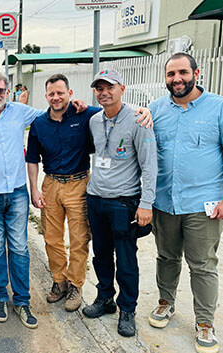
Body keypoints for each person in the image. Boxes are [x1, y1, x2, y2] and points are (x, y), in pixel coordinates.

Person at [0, 72, 90, 329]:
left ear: (8, 92)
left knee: (19, 249)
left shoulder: (20, 112)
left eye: (1, 90)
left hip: (17, 193)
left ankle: (22, 301)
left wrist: (77, 106)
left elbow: (51, 110)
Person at [148, 52, 223, 353]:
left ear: (197, 73)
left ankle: (205, 323)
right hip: (165, 202)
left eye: (182, 72)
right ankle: (166, 302)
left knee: (203, 265)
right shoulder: (156, 109)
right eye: (170, 74)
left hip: (202, 206)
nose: (176, 79)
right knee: (166, 257)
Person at [27, 74, 152, 313]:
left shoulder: (86, 116)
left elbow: (113, 108)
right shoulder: (39, 123)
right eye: (51, 93)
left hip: (79, 184)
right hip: (51, 184)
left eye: (60, 93)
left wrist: (143, 110)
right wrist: (34, 188)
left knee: (79, 239)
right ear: (46, 96)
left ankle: (75, 285)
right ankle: (59, 281)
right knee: (52, 238)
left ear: (70, 93)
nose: (56, 97)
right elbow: (32, 159)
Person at [81, 69, 157, 338]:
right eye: (99, 88)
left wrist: (146, 203)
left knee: (125, 258)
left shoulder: (138, 120)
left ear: (121, 89)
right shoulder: (93, 120)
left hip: (124, 202)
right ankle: (105, 298)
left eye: (109, 87)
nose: (104, 92)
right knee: (101, 253)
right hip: (96, 198)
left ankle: (128, 309)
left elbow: (150, 166)